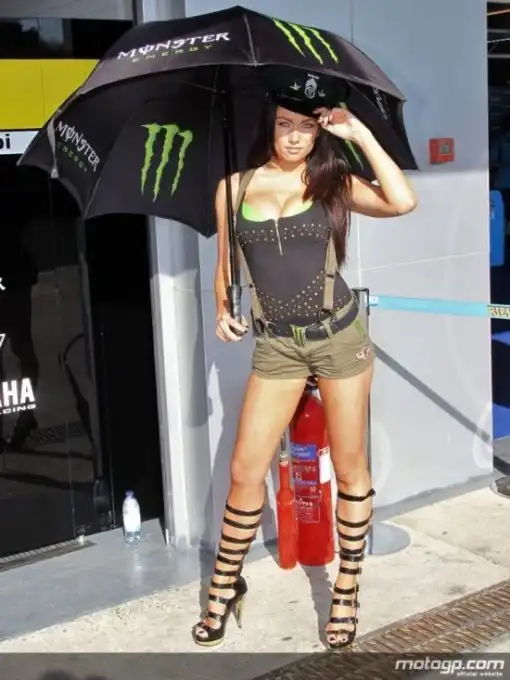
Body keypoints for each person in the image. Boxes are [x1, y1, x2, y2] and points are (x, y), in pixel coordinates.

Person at [192, 75, 417, 651]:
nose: (294, 137)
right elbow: (225, 268)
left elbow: (402, 200)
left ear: (318, 133)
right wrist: (222, 309)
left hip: (339, 337)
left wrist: (358, 134)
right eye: (284, 125)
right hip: (278, 346)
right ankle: (225, 585)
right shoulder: (233, 188)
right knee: (245, 469)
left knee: (350, 467)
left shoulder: (331, 181)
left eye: (304, 127)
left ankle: (346, 589)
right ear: (268, 127)